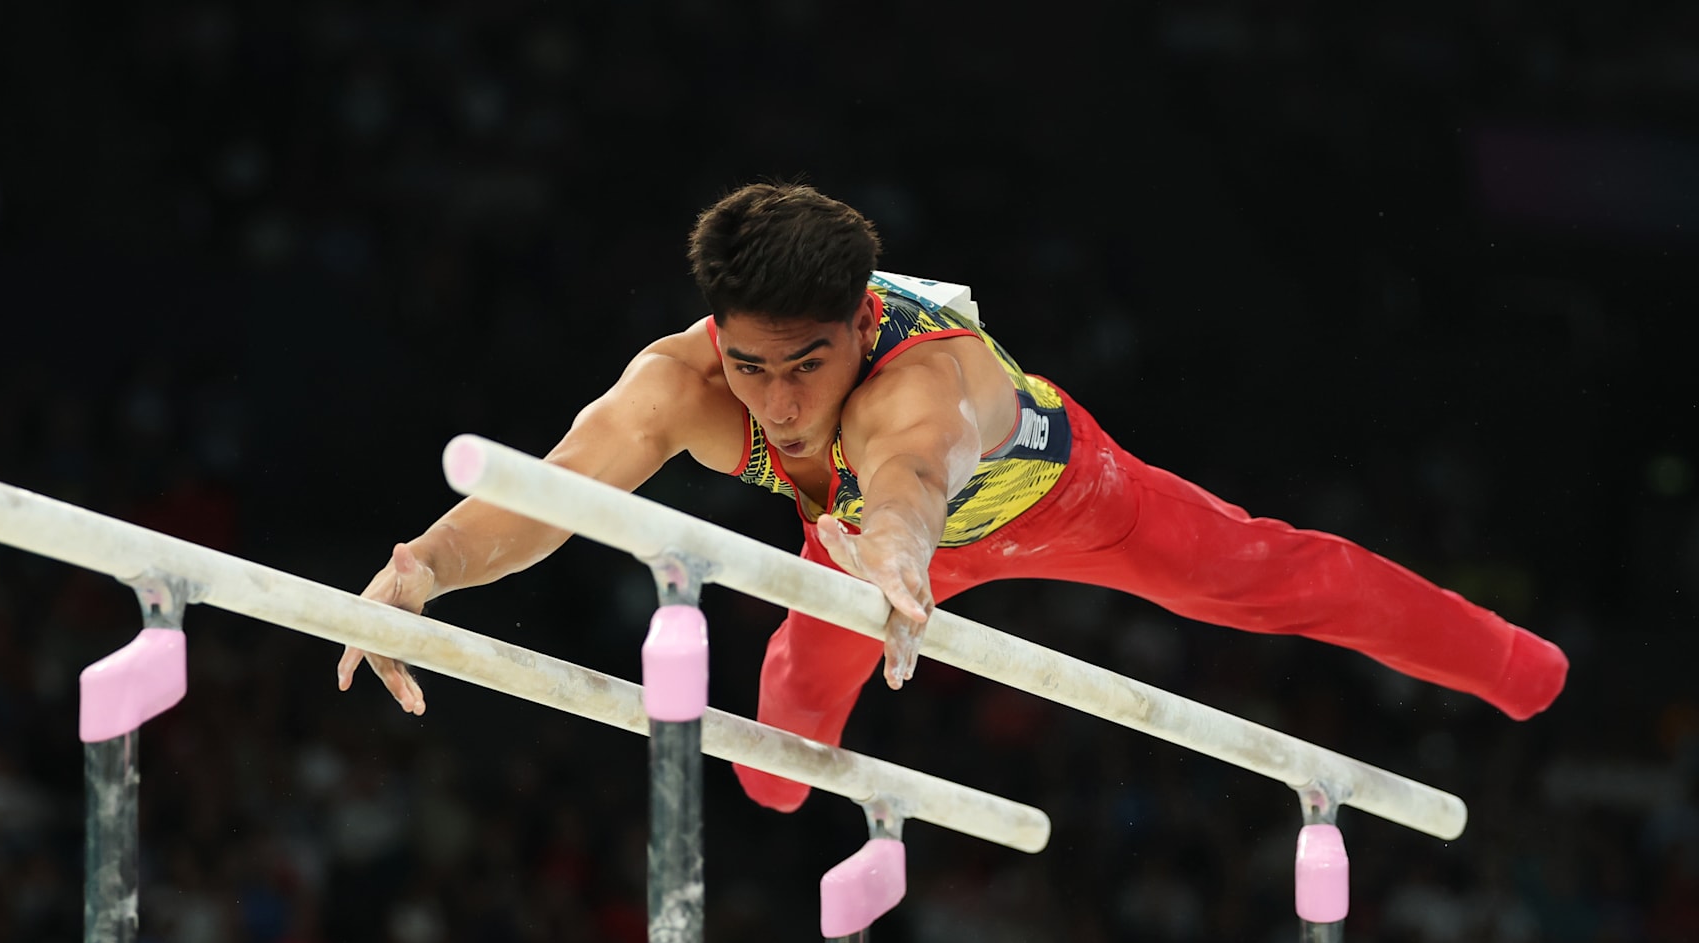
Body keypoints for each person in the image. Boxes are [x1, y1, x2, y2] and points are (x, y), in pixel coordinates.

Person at [336, 182, 1568, 812]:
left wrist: (895, 550)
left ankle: (1518, 666)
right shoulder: (677, 383)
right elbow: (551, 496)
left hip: (1068, 501)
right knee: (775, 753)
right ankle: (791, 752)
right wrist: (426, 569)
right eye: (749, 364)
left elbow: (914, 482)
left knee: (1267, 577)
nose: (772, 400)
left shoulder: (923, 384)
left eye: (806, 364)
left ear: (862, 321)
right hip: (870, 556)